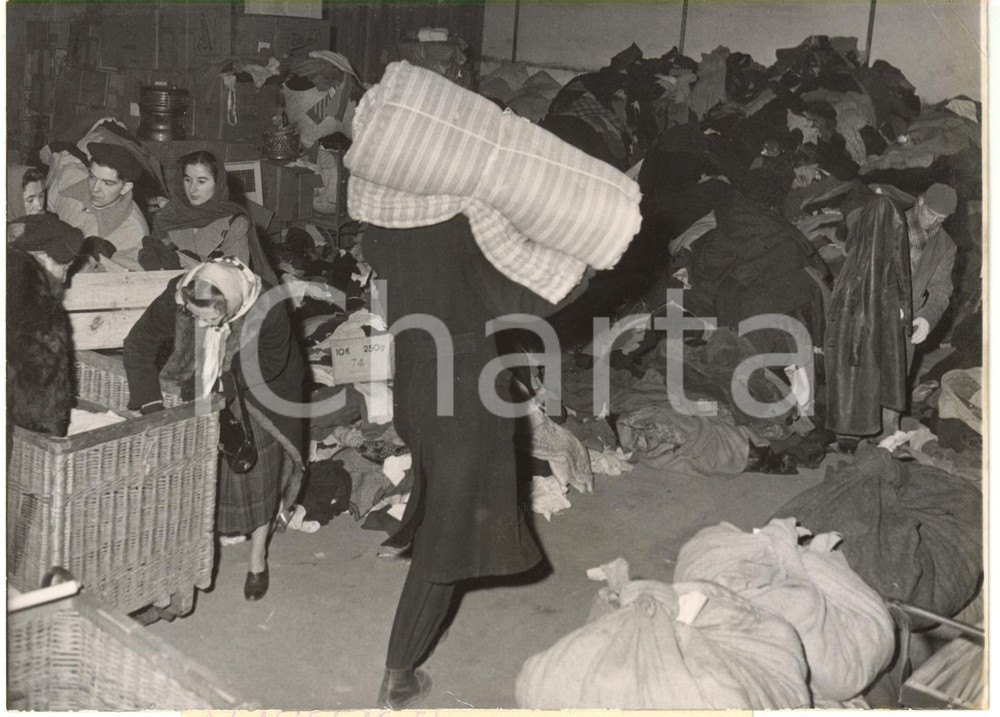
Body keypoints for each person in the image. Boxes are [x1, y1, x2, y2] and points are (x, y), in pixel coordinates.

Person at [362, 214, 591, 709]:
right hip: (461, 394)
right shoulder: (463, 228)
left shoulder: (388, 228)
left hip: (415, 386)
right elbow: (523, 300)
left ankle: (426, 620)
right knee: (449, 535)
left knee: (444, 510)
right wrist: (586, 264)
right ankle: (399, 674)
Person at [122, 257, 305, 601]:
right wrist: (153, 409)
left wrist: (223, 390)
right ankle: (195, 549)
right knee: (193, 473)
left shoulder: (268, 306)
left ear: (233, 308)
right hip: (197, 377)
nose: (200, 324)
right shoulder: (177, 297)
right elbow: (137, 346)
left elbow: (271, 364)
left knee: (257, 467)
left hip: (260, 383)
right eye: (193, 316)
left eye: (210, 319)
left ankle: (257, 558)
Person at [7, 215, 87, 439]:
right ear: (41, 258)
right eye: (64, 267)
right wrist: (54, 435)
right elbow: (46, 387)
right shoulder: (40, 308)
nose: (65, 279)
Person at [140, 151, 254, 270]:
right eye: (188, 180)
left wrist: (192, 260)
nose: (192, 188)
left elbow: (236, 271)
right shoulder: (167, 215)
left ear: (217, 183)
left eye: (201, 181)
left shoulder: (235, 223)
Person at [47, 141, 149, 270]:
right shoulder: (67, 180)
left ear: (125, 188)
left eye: (107, 183)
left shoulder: (135, 234)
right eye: (92, 177)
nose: (94, 189)